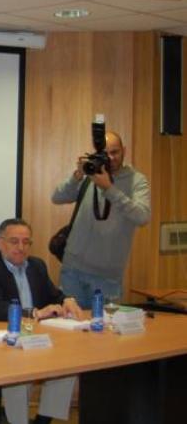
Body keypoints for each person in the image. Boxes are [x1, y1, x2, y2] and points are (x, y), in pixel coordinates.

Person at [0, 219, 83, 424]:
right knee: (20, 376)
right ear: (0, 243)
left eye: (26, 242)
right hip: (4, 342)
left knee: (67, 366)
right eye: (14, 241)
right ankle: (18, 421)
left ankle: (43, 420)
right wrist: (37, 313)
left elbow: (54, 295)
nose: (21, 248)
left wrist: (67, 300)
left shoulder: (36, 266)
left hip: (35, 338)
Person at [52, 130, 150, 307]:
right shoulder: (91, 174)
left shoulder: (137, 180)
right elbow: (57, 197)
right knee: (69, 328)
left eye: (115, 152)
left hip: (107, 276)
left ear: (124, 151)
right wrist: (77, 176)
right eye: (106, 153)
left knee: (103, 331)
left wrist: (109, 188)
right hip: (73, 269)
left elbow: (142, 217)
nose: (110, 158)